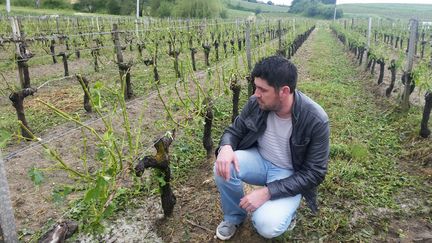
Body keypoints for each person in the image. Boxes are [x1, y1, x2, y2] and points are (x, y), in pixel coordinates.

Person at [214, 55, 330, 240]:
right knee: (223, 165)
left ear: (284, 91)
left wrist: (269, 192)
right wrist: (226, 146)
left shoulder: (315, 119)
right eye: (255, 87)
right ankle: (234, 217)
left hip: (289, 173)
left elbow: (315, 173)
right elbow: (234, 131)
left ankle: (288, 213)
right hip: (260, 159)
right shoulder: (256, 103)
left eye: (262, 89)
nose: (255, 94)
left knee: (267, 226)